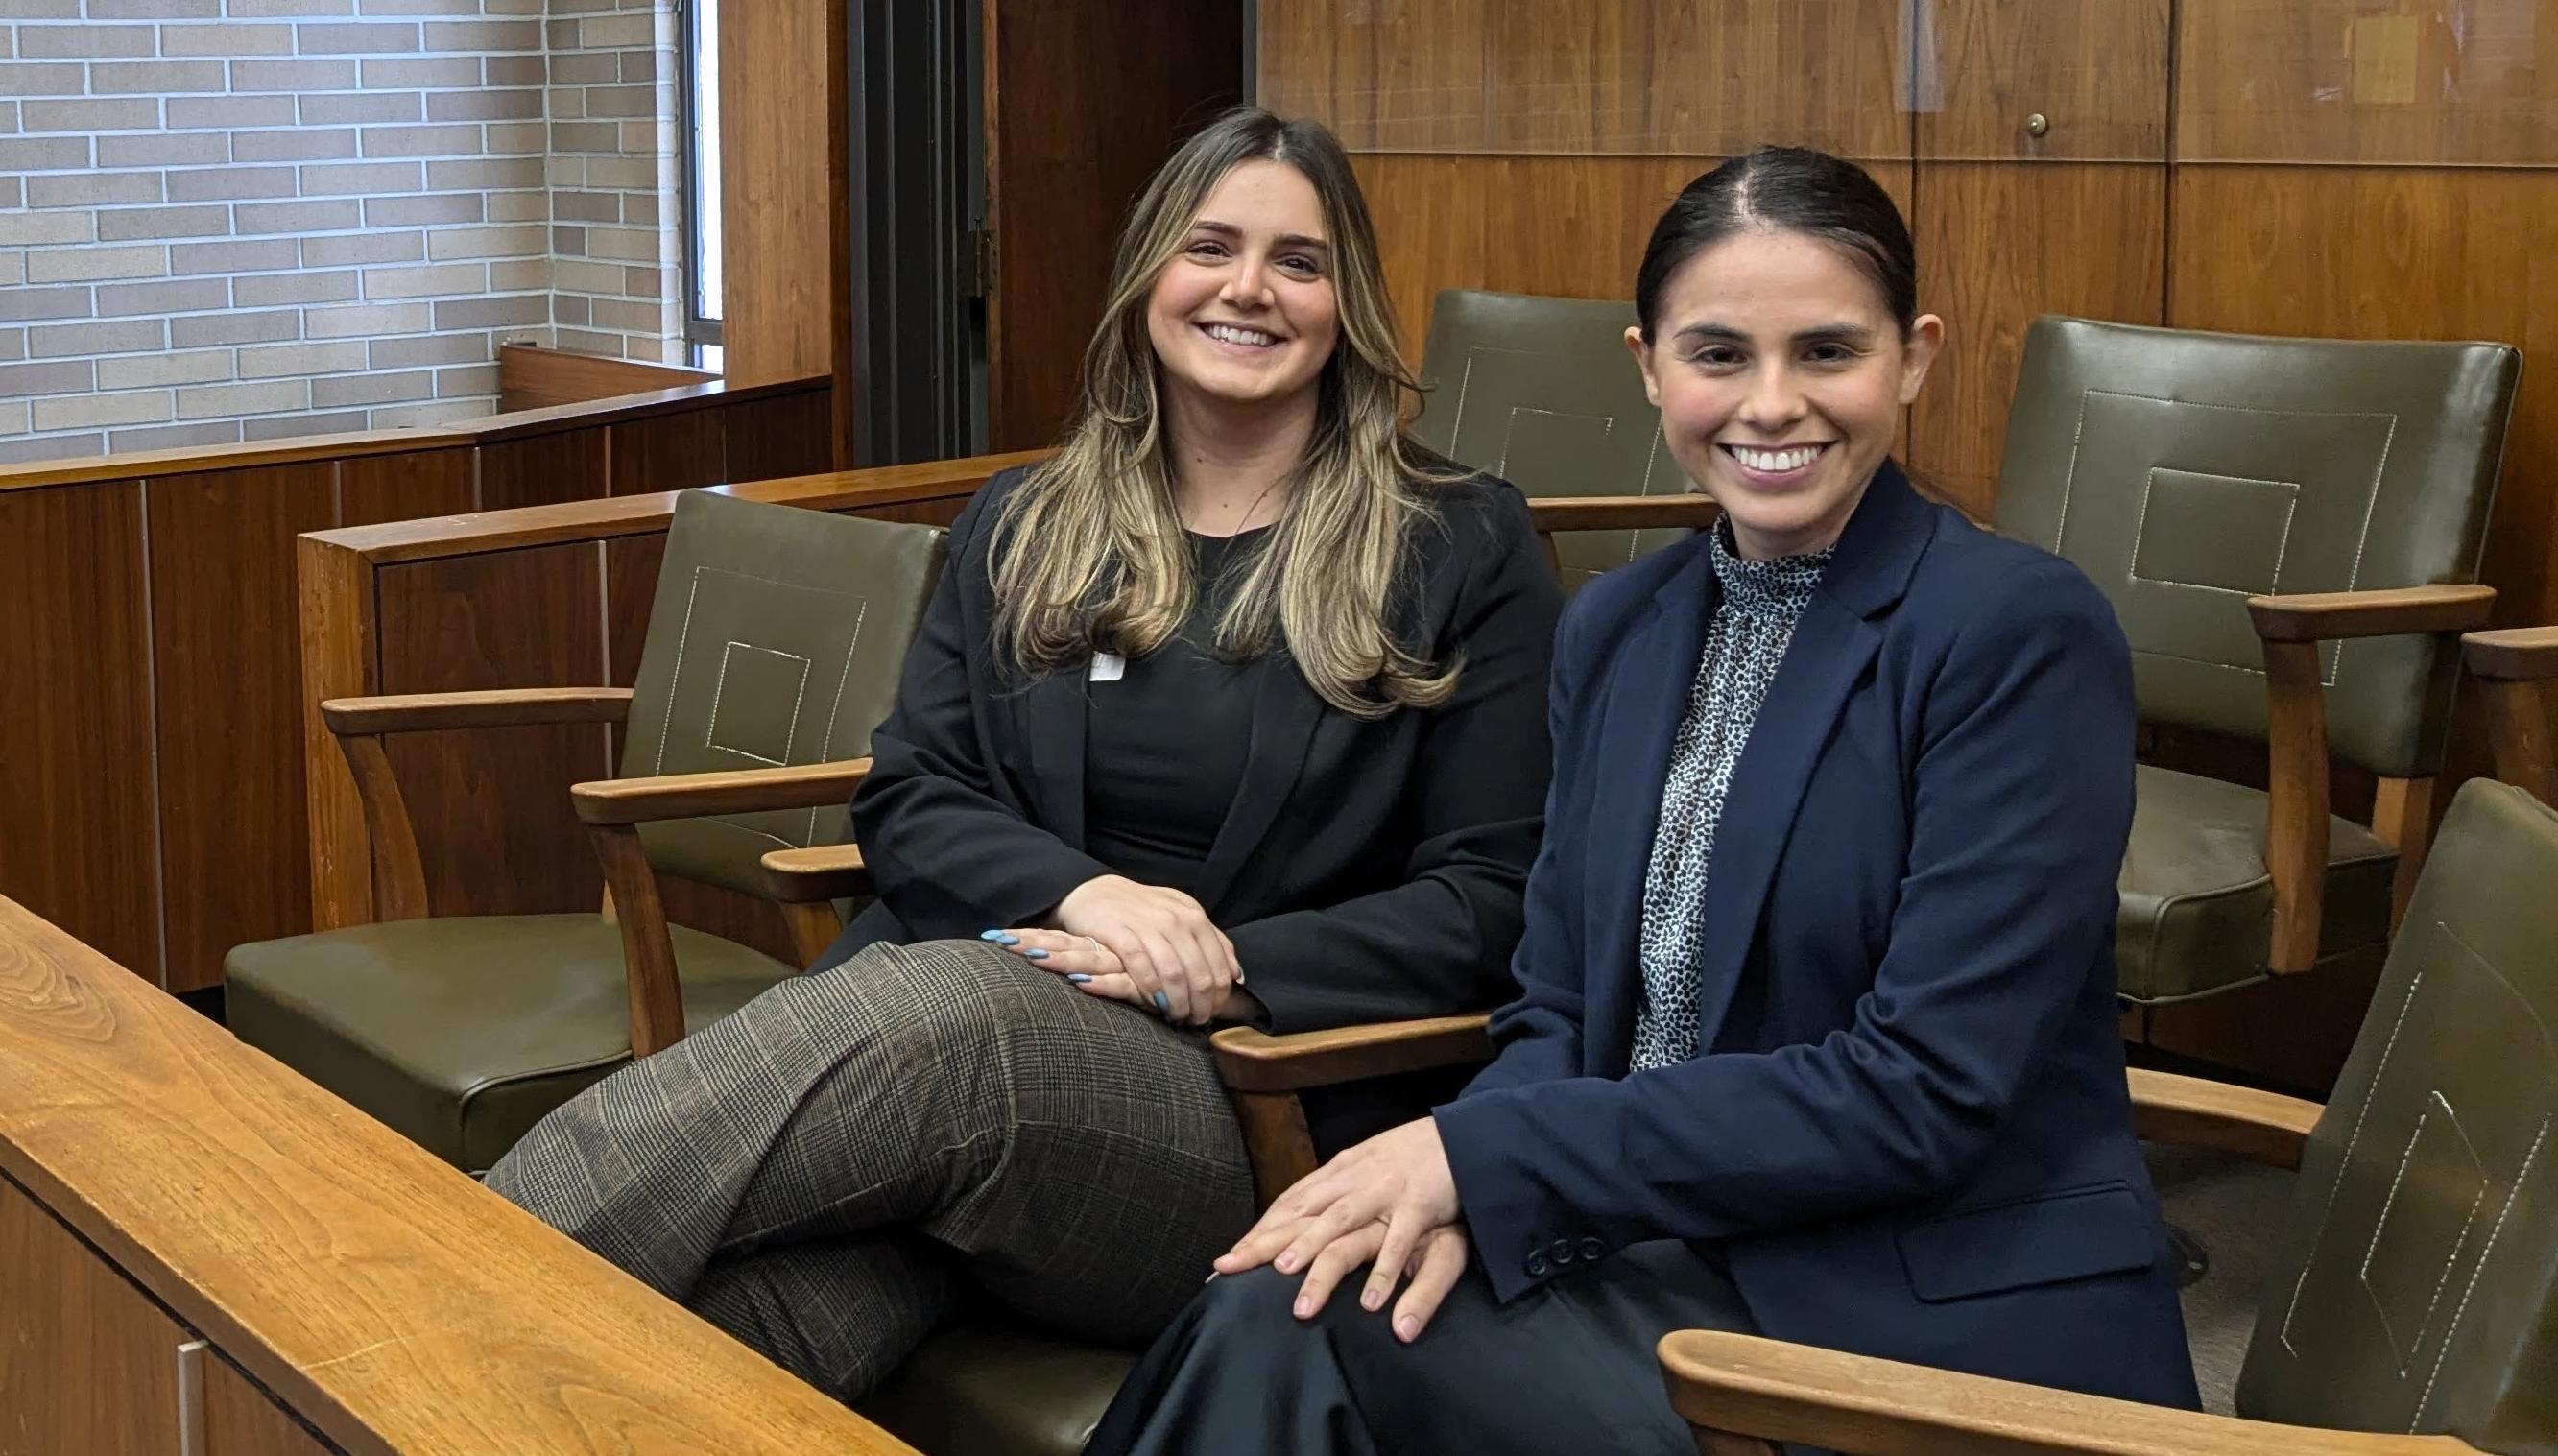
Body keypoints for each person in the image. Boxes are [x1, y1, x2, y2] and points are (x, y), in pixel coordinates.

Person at [1085, 146, 2201, 1455]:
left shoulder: (2015, 631)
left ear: (1913, 357)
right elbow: (1557, 1007)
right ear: (1647, 367)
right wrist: (1456, 1184)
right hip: (1661, 1252)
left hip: (1916, 1322)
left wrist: (1475, 1162)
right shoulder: (1617, 625)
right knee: (1294, 1291)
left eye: (1827, 352)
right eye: (1717, 354)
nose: (1770, 405)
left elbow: (1921, 1090)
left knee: (1299, 1333)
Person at [483, 108, 1562, 1402]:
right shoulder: (1025, 518)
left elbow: (1495, 900)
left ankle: (405, 1278)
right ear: (1148, 276)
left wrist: (1224, 969)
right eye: (1209, 245)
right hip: (981, 1109)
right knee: (721, 1332)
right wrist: (1089, 896)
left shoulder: (1456, 542)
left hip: (1240, 1106)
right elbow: (912, 795)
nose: (1247, 288)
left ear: (1348, 306)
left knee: (949, 1019)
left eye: (1299, 261)